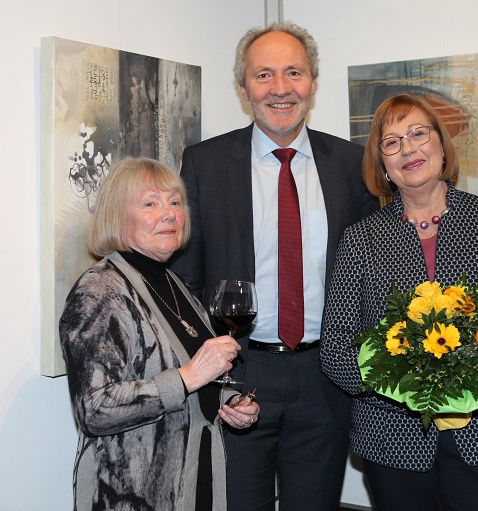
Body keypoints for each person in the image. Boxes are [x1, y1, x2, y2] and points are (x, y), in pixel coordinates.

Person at [170, 22, 377, 511]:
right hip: (241, 370)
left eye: (293, 72)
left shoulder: (352, 164)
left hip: (326, 377)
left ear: (312, 83)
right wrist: (217, 383)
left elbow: (375, 275)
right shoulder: (205, 163)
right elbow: (187, 283)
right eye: (263, 75)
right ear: (244, 89)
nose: (280, 88)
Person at [320, 93, 478, 511]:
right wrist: (404, 385)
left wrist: (474, 382)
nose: (407, 149)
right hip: (391, 438)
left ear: (441, 144)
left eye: (418, 133)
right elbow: (336, 349)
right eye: (391, 142)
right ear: (382, 165)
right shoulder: (360, 240)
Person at [59, 157, 260, 511]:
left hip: (193, 478)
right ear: (117, 216)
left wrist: (228, 404)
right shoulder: (99, 291)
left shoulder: (173, 283)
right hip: (133, 492)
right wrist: (187, 378)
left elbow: (191, 376)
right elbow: (94, 408)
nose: (168, 214)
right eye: (150, 203)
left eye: (175, 202)